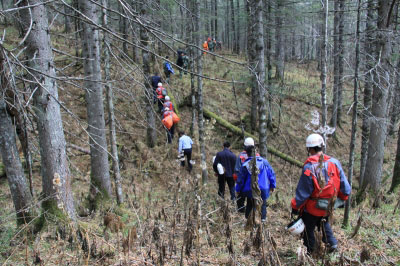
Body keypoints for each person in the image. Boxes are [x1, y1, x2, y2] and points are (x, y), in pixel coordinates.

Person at [291, 133, 351, 254]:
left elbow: (303, 192)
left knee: (308, 228)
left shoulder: (309, 167)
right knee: (324, 222)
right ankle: (332, 243)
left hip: (312, 207)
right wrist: (343, 198)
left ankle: (310, 250)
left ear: (310, 149)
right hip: (329, 205)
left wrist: (295, 206)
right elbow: (345, 186)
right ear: (322, 146)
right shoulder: (335, 163)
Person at [236, 137, 276, 222]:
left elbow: (240, 180)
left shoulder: (245, 164)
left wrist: (238, 190)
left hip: (250, 189)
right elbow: (271, 174)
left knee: (250, 204)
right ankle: (262, 221)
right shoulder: (264, 162)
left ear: (246, 152)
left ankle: (249, 221)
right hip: (264, 188)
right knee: (263, 204)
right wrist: (273, 185)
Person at [234, 137, 259, 213]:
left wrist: (237, 181)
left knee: (240, 196)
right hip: (254, 180)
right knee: (250, 197)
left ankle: (241, 209)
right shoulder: (258, 156)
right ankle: (249, 211)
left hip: (242, 180)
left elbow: (237, 169)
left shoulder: (241, 156)